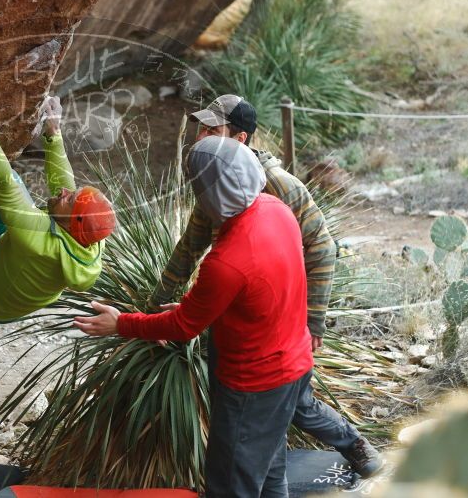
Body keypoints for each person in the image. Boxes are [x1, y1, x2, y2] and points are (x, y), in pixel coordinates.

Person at [147, 93, 381, 477]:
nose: (201, 135)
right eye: (201, 127)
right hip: (237, 310)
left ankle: (351, 442)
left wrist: (313, 320)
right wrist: (155, 304)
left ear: (239, 139)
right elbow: (189, 247)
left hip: (281, 313)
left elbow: (322, 247)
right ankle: (268, 471)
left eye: (212, 129)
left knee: (295, 401)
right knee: (231, 388)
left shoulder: (278, 187)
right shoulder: (214, 175)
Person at [75, 136, 313, 497]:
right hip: (295, 366)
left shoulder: (227, 260)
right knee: (268, 468)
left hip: (254, 384)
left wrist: (121, 322)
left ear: (208, 195)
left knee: (232, 483)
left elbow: (184, 328)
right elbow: (258, 290)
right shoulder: (276, 210)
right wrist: (197, 307)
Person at [0, 89, 115, 322]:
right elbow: (63, 185)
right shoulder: (91, 235)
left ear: (69, 223)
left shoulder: (37, 236)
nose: (65, 192)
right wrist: (53, 131)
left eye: (69, 199)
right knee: (7, 210)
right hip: (18, 261)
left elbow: (4, 184)